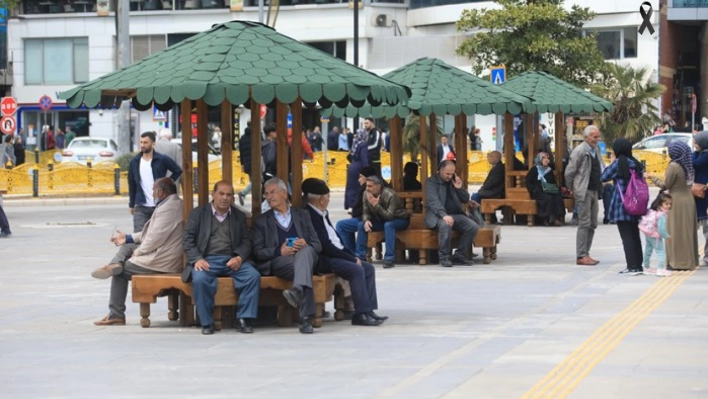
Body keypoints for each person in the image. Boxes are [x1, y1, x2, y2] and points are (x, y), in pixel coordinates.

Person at [92, 178, 183, 326]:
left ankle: (116, 314)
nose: (152, 193)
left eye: (153, 190)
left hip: (162, 260)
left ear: (160, 192)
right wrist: (127, 238)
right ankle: (115, 264)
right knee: (127, 246)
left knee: (119, 273)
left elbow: (153, 239)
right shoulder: (169, 204)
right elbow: (150, 234)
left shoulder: (169, 208)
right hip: (162, 251)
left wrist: (139, 252)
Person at [303, 178, 386, 326]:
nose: (328, 200)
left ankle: (368, 310)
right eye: (328, 198)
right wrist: (351, 259)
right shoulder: (310, 215)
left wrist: (352, 255)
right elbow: (325, 245)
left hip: (336, 254)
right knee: (356, 269)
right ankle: (359, 314)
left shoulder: (322, 212)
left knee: (368, 268)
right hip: (324, 258)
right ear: (322, 199)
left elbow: (336, 240)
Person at [182, 181, 261, 335]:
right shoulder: (198, 214)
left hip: (231, 259)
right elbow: (188, 240)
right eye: (221, 194)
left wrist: (239, 257)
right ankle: (206, 322)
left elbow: (246, 241)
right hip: (207, 260)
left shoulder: (238, 216)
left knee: (252, 276)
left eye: (229, 195)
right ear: (213, 194)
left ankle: (244, 319)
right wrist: (197, 259)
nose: (225, 198)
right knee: (199, 279)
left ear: (232, 198)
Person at [252, 177, 322, 334]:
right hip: (280, 262)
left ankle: (297, 291)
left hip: (305, 258)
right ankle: (305, 318)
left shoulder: (302, 215)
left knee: (305, 255)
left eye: (273, 192)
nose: (269, 197)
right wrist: (279, 251)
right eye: (266, 194)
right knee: (304, 271)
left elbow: (317, 245)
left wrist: (305, 243)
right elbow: (257, 251)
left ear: (284, 194)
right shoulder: (262, 221)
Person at [647, 141, 699, 270]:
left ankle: (677, 262)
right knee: (686, 232)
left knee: (675, 232)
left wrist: (652, 177)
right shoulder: (688, 164)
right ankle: (688, 260)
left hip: (676, 201)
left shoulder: (674, 166)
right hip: (688, 200)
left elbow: (666, 185)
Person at [601, 138, 645, 275]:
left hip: (622, 204)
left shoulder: (619, 163)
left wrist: (612, 161)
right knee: (634, 234)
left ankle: (631, 266)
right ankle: (638, 265)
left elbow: (603, 177)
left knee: (626, 236)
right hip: (636, 203)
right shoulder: (636, 163)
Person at [424, 160, 478, 267]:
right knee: (446, 224)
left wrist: (459, 188)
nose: (449, 176)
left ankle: (459, 255)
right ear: (440, 170)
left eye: (452, 173)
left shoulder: (453, 181)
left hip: (455, 214)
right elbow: (434, 201)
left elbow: (465, 199)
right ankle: (444, 257)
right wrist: (444, 215)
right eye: (447, 174)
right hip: (437, 215)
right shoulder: (431, 182)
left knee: (472, 226)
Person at [565, 125, 605, 266]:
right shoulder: (580, 151)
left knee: (593, 223)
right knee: (584, 223)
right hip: (584, 191)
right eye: (595, 137)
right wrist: (572, 190)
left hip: (595, 190)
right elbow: (569, 172)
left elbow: (600, 166)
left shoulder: (596, 150)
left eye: (598, 136)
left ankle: (586, 253)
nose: (597, 139)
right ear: (587, 137)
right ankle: (581, 255)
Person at [128, 132, 183, 232]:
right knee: (139, 235)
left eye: (145, 142)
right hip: (141, 206)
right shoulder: (134, 162)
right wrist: (131, 204)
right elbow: (132, 184)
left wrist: (167, 183)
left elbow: (178, 170)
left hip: (160, 205)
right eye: (141, 142)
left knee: (159, 235)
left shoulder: (161, 159)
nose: (143, 145)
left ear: (153, 144)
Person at [356, 176, 411, 268]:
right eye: (366, 186)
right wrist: (366, 220)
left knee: (389, 225)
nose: (367, 188)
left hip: (400, 219)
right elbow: (365, 211)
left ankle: (389, 259)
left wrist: (376, 205)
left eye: (370, 186)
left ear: (378, 187)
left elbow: (389, 216)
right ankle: (360, 258)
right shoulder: (366, 193)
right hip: (382, 219)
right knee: (361, 225)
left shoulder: (390, 195)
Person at [336, 166, 377, 254]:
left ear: (367, 178)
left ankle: (350, 253)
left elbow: (366, 208)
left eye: (361, 177)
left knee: (341, 225)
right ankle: (352, 253)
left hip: (368, 219)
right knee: (347, 225)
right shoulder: (372, 186)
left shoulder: (368, 189)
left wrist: (355, 213)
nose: (359, 180)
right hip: (365, 217)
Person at [526, 152, 565, 226]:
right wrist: (533, 190)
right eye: (543, 158)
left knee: (558, 197)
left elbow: (552, 182)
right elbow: (528, 182)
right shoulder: (534, 169)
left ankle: (556, 218)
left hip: (548, 189)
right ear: (539, 159)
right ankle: (545, 219)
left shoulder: (549, 170)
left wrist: (554, 189)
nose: (546, 160)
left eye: (547, 158)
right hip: (538, 191)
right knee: (548, 198)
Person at [640, 191, 673, 277]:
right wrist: (667, 236)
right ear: (660, 204)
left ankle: (646, 267)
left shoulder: (653, 211)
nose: (669, 206)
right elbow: (661, 229)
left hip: (648, 233)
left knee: (648, 250)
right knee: (661, 252)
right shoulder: (662, 215)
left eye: (670, 204)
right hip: (655, 236)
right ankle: (660, 269)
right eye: (666, 204)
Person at [691, 130, 708, 266]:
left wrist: (694, 153)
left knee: (706, 226)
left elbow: (694, 164)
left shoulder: (706, 155)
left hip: (704, 194)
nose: (694, 144)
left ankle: (706, 256)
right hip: (699, 193)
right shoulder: (701, 153)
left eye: (696, 142)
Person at [344, 129, 369, 210]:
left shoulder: (355, 143)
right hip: (358, 168)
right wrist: (367, 170)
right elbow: (364, 158)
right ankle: (355, 206)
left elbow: (350, 155)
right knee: (358, 188)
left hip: (352, 167)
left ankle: (350, 204)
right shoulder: (363, 145)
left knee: (351, 187)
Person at [238, 121, 254, 206]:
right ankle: (243, 193)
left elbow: (241, 152)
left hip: (246, 162)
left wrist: (242, 164)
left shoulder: (243, 138)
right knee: (257, 180)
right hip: (256, 161)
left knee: (253, 180)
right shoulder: (256, 135)